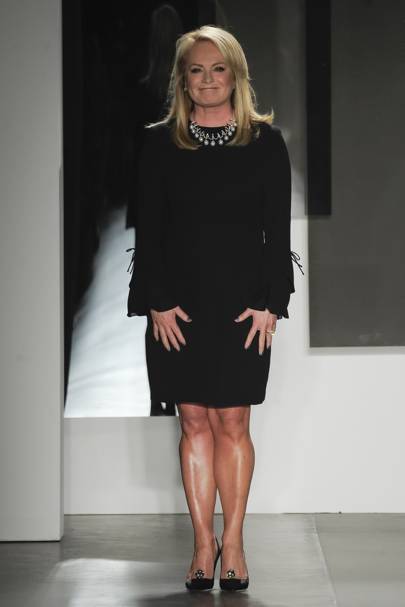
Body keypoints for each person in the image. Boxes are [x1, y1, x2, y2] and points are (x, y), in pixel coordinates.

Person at [126, 24, 304, 591]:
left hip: (241, 306)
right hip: (178, 307)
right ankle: (203, 544)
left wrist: (271, 303)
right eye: (196, 71)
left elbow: (277, 231)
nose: (207, 80)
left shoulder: (264, 143)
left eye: (217, 69)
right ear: (182, 80)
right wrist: (156, 302)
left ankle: (235, 543)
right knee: (193, 419)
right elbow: (149, 230)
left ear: (236, 75)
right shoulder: (160, 144)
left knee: (233, 420)